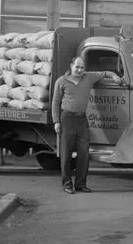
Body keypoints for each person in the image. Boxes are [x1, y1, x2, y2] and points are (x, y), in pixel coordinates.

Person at [51, 57, 122, 194]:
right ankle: (67, 184)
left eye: (82, 67)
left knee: (84, 153)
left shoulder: (88, 77)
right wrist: (56, 122)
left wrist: (115, 76)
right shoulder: (61, 81)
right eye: (77, 67)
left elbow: (106, 73)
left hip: (82, 120)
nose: (79, 70)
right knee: (66, 154)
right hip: (67, 119)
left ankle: (80, 184)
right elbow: (55, 103)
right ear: (71, 66)